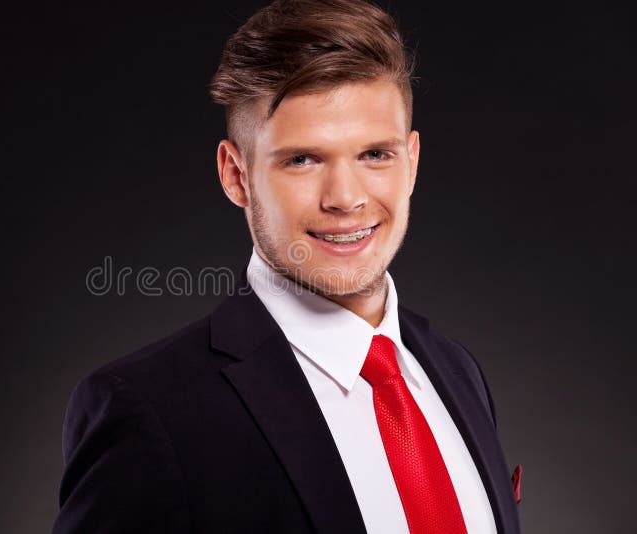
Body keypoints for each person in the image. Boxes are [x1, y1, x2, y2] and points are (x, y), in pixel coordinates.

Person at [52, 0, 521, 532]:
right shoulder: (150, 413)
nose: (346, 199)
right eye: (302, 159)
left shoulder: (457, 371)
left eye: (375, 155)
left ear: (411, 161)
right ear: (236, 175)